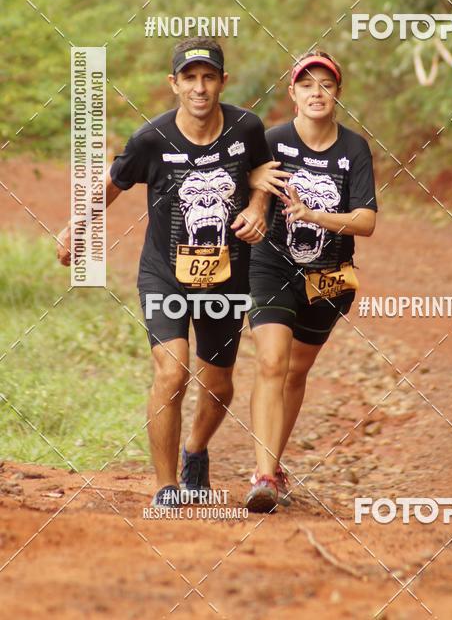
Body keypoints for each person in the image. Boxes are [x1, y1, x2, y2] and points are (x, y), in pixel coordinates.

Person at [56, 38, 271, 507]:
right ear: (173, 84)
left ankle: (196, 451)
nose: (200, 87)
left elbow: (264, 173)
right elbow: (112, 184)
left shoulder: (246, 128)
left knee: (217, 383)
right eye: (189, 78)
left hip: (226, 273)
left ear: (222, 82)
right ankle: (165, 485)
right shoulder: (150, 139)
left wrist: (257, 208)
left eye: (208, 77)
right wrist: (77, 226)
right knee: (171, 373)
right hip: (165, 274)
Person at [244, 50, 377, 512]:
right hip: (272, 265)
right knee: (272, 362)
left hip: (330, 276)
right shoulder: (273, 141)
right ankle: (262, 475)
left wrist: (312, 214)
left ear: (338, 93)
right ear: (293, 94)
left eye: (326, 85)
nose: (316, 93)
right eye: (307, 85)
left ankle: (274, 464)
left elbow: (366, 221)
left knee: (298, 370)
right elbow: (245, 188)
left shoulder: (353, 149)